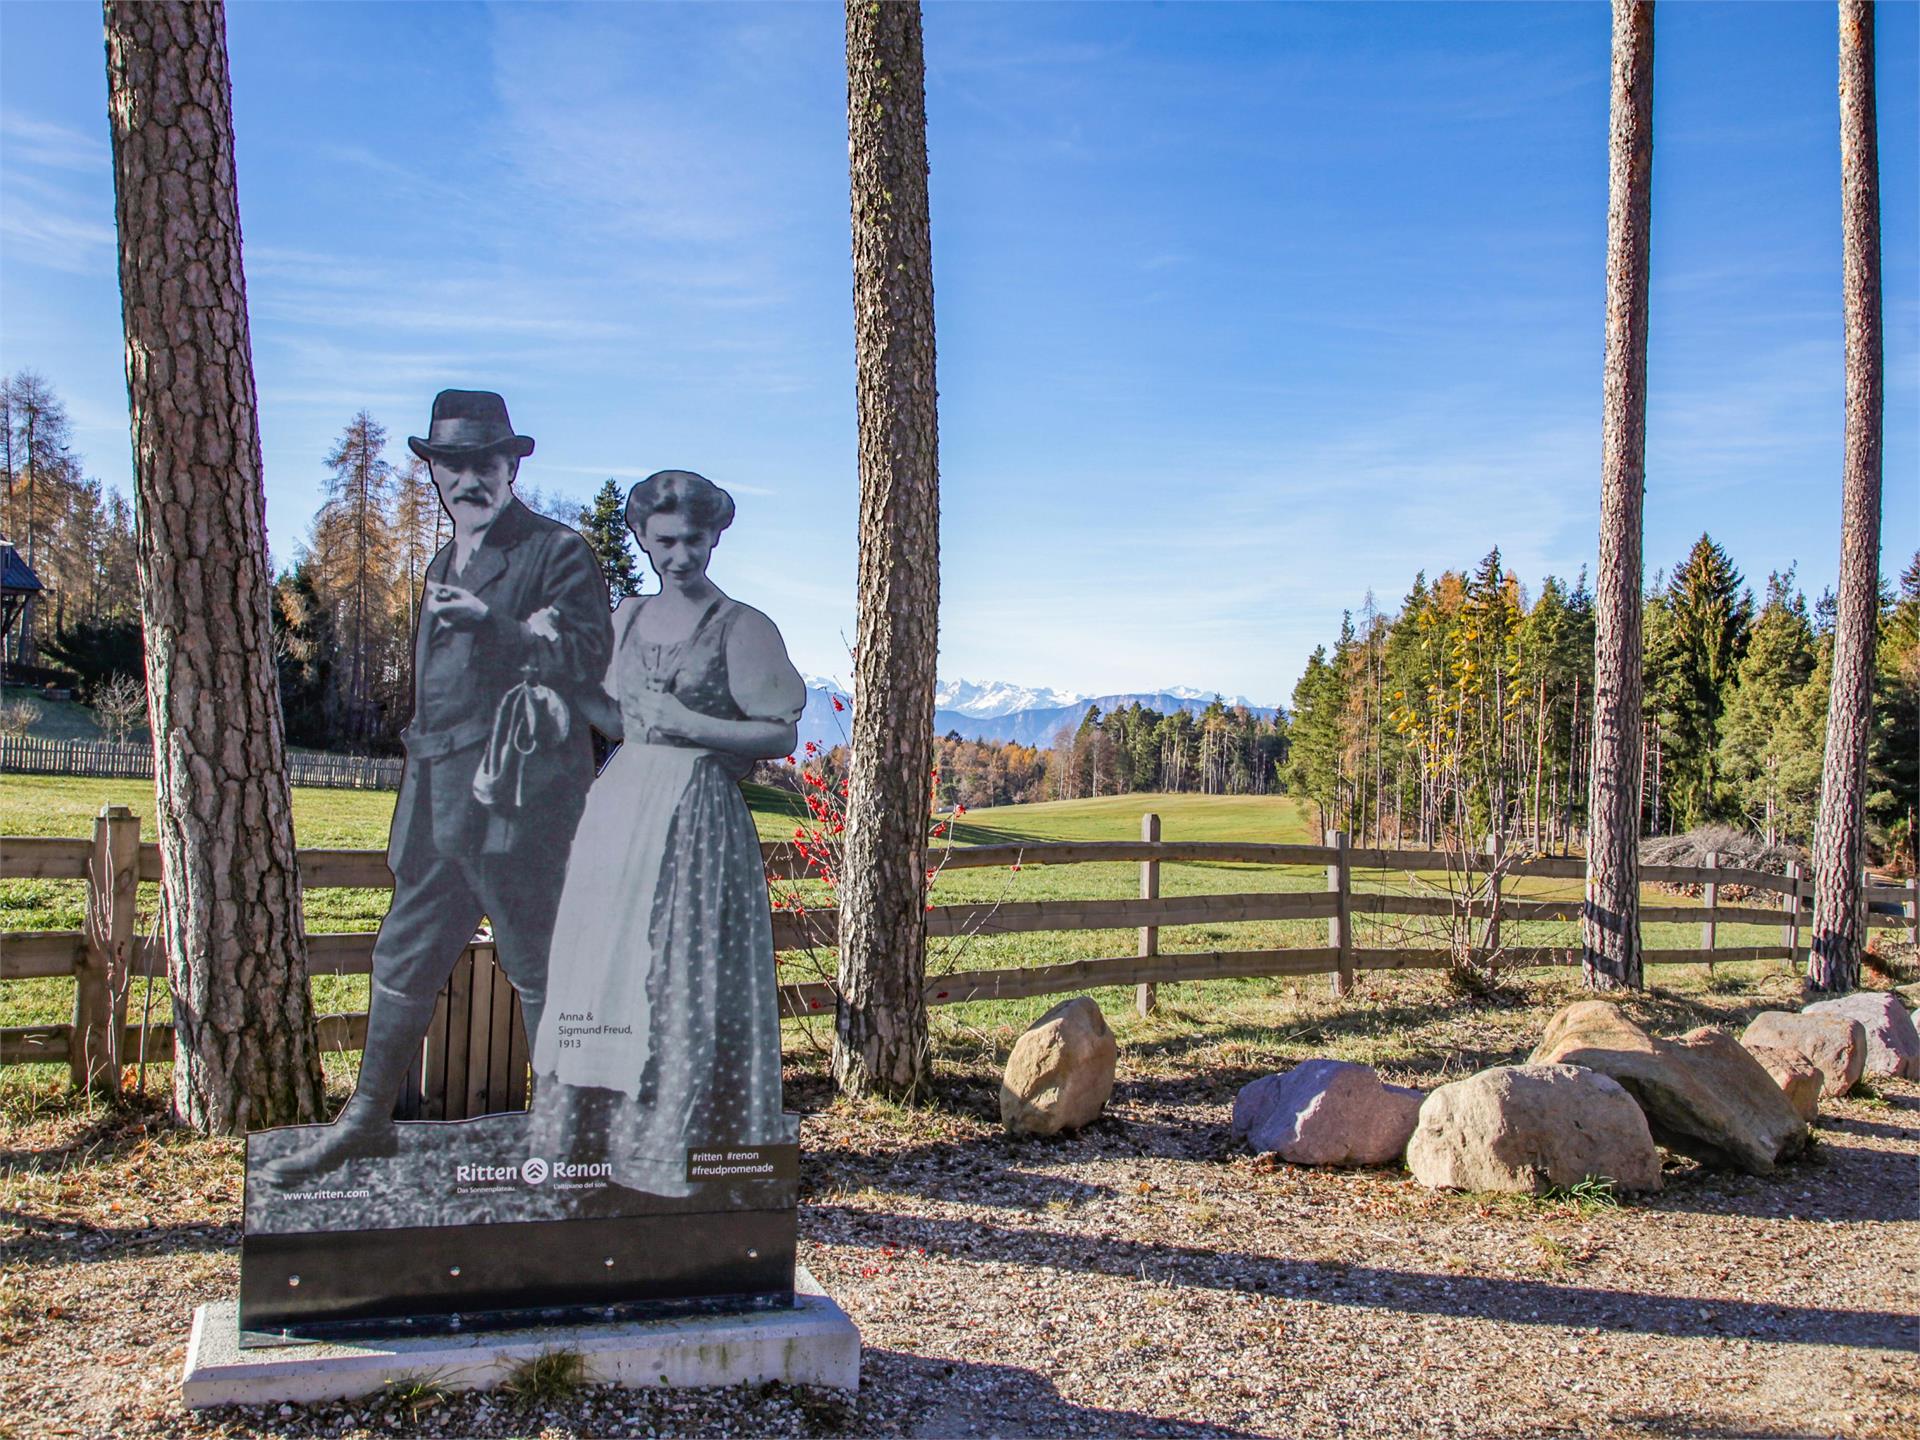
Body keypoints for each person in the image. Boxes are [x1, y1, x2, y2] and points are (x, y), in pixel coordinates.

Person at [264, 390, 613, 1181]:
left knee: (539, 960)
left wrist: (500, 626)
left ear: (511, 464)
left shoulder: (557, 552)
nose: (467, 480)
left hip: (522, 797)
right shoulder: (439, 560)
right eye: (452, 466)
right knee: (404, 953)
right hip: (437, 798)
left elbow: (589, 666)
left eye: (483, 463)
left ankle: (565, 1138)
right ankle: (367, 1122)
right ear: (435, 475)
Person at [532, 469, 802, 1194]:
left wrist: (688, 724)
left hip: (697, 813)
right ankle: (593, 1145)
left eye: (692, 541)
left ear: (714, 537)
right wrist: (564, 670)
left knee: (679, 971)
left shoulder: (742, 627)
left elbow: (778, 733)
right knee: (605, 969)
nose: (678, 557)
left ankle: (678, 1151)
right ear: (643, 541)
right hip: (620, 806)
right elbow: (618, 721)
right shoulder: (626, 619)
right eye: (663, 542)